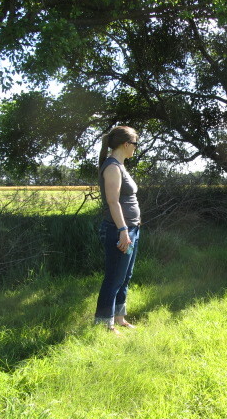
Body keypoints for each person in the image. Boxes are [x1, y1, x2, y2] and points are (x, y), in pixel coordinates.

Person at [94, 126, 141, 333]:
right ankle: (104, 324)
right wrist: (123, 230)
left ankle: (120, 318)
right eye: (135, 144)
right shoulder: (112, 167)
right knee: (114, 277)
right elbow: (113, 202)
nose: (136, 149)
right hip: (119, 230)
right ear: (126, 144)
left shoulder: (120, 165)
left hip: (131, 229)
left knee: (125, 276)